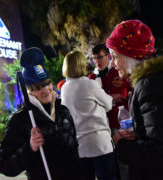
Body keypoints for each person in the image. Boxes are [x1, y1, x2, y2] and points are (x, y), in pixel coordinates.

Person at [0, 47, 81, 180]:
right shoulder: (19, 120)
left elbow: (75, 148)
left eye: (46, 83)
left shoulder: (63, 111)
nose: (46, 90)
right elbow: (5, 166)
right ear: (29, 91)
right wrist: (30, 148)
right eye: (38, 88)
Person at [106, 19, 163, 180]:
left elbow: (159, 152)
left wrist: (122, 145)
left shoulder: (149, 85)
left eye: (115, 56)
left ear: (131, 55)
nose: (112, 64)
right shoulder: (152, 80)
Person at [61, 50, 118, 180]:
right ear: (81, 65)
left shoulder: (64, 88)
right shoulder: (89, 84)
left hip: (80, 146)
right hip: (99, 144)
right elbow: (109, 104)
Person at [88, 44, 131, 134]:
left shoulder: (120, 71)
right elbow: (90, 100)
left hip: (125, 121)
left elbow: (132, 91)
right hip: (104, 125)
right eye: (94, 58)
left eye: (99, 57)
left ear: (108, 56)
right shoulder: (92, 78)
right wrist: (110, 97)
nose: (97, 61)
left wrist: (128, 96)